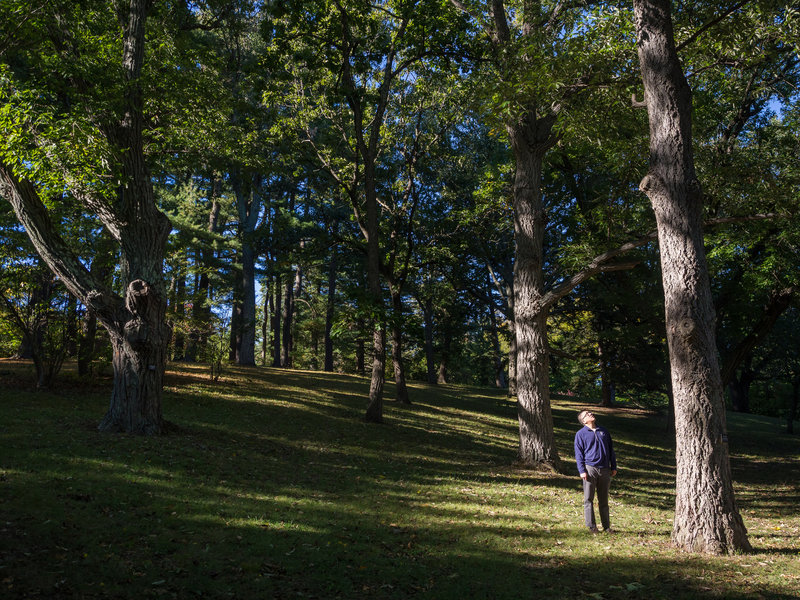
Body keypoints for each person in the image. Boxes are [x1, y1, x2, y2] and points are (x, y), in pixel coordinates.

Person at [574, 410, 617, 533]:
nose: (590, 414)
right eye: (587, 414)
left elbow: (611, 450)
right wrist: (582, 470)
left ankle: (607, 526)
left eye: (590, 412)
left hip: (604, 469)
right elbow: (579, 454)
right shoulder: (580, 434)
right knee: (589, 499)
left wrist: (613, 466)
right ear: (583, 421)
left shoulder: (603, 431)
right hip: (589, 469)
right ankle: (592, 526)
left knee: (604, 500)